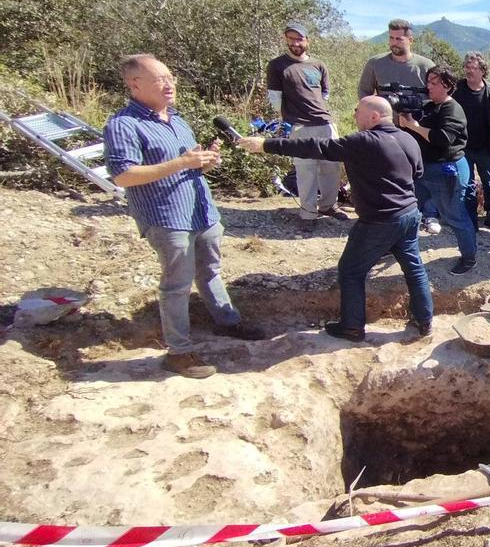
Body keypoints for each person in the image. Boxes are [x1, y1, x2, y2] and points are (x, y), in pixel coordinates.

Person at [103, 54, 265, 379]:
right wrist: (180, 163)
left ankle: (227, 321)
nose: (169, 84)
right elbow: (123, 175)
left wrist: (205, 162)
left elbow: (190, 163)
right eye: (159, 79)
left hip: (200, 211)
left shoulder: (176, 119)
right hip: (166, 216)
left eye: (170, 78)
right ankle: (178, 353)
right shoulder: (123, 124)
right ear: (135, 84)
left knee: (210, 271)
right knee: (176, 285)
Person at [239, 96, 434, 341]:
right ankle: (424, 320)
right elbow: (417, 173)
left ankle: (352, 327)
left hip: (379, 220)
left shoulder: (363, 141)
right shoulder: (408, 138)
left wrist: (266, 144)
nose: (354, 115)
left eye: (357, 111)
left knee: (351, 271)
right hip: (409, 215)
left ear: (374, 116)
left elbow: (315, 146)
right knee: (414, 269)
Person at [358, 18, 440, 235]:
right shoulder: (375, 63)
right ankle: (387, 214)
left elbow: (436, 95)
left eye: (399, 38)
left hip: (416, 128)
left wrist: (418, 113)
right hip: (384, 131)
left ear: (410, 39)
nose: (394, 42)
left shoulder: (425, 65)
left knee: (422, 171)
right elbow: (364, 93)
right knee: (385, 172)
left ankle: (428, 214)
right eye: (391, 38)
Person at [395, 65, 478, 275]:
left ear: (448, 86)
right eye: (428, 81)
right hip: (424, 170)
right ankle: (397, 247)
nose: (429, 86)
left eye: (434, 83)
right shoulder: (431, 106)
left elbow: (442, 138)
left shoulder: (453, 109)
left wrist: (413, 126)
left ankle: (469, 257)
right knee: (409, 209)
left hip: (448, 171)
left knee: (455, 217)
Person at [264, 22, 347, 222]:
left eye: (299, 38)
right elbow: (275, 97)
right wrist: (289, 119)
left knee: (331, 167)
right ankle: (308, 213)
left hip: (325, 122)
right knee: (306, 170)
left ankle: (328, 205)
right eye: (291, 38)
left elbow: (324, 93)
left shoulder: (318, 65)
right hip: (299, 125)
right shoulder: (277, 65)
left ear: (307, 40)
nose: (295, 43)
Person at [454, 51, 490, 231]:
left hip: (486, 147)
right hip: (464, 147)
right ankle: (471, 219)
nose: (469, 71)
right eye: (467, 67)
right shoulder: (457, 90)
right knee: (467, 185)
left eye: (473, 67)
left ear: (482, 70)